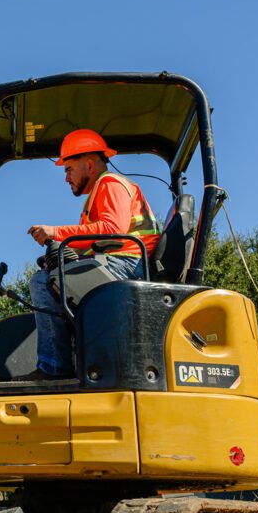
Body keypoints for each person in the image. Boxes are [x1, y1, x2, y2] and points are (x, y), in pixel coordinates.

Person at [21, 129, 160, 381]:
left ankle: (54, 369)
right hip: (123, 263)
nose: (66, 178)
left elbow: (113, 230)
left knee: (42, 283)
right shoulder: (99, 194)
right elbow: (97, 239)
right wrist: (61, 255)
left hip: (127, 265)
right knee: (51, 276)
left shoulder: (110, 184)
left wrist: (56, 233)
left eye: (68, 169)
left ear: (88, 164)